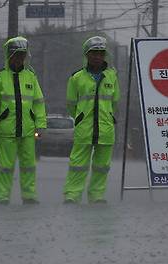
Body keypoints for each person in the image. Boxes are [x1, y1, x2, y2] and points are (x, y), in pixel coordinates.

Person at [0, 36, 46, 205]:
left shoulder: (31, 77)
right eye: (17, 55)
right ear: (9, 56)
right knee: (5, 167)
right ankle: (3, 196)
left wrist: (40, 124)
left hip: (27, 130)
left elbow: (39, 102)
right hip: (7, 130)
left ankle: (29, 195)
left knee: (29, 166)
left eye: (22, 55)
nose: (20, 59)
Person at [63, 36, 120, 204]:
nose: (97, 56)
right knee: (77, 164)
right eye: (93, 53)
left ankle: (96, 195)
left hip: (106, 129)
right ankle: (72, 195)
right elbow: (71, 104)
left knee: (102, 167)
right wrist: (80, 118)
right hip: (84, 129)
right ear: (86, 55)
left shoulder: (112, 77)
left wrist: (107, 117)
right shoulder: (76, 78)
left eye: (100, 53)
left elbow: (115, 102)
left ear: (105, 55)